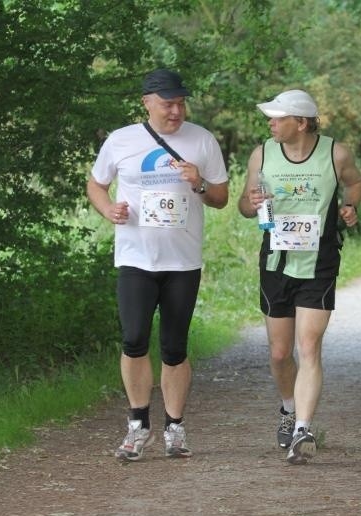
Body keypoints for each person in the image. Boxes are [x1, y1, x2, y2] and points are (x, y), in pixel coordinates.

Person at [86, 68, 229, 461]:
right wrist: (108, 209)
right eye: (168, 103)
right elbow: (96, 184)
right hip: (135, 258)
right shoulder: (121, 140)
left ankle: (175, 428)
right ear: (147, 102)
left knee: (174, 346)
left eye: (181, 103)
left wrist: (199, 183)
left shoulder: (201, 140)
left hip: (182, 261)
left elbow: (221, 197)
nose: (176, 111)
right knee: (133, 339)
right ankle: (137, 425)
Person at [237, 89, 361, 465]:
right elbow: (245, 205)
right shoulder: (262, 153)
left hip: (319, 261)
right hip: (276, 260)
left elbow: (355, 183)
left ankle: (303, 430)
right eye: (271, 118)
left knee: (308, 348)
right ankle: (288, 408)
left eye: (278, 118)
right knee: (280, 353)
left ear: (302, 122)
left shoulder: (335, 153)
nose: (271, 123)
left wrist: (350, 205)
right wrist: (252, 203)